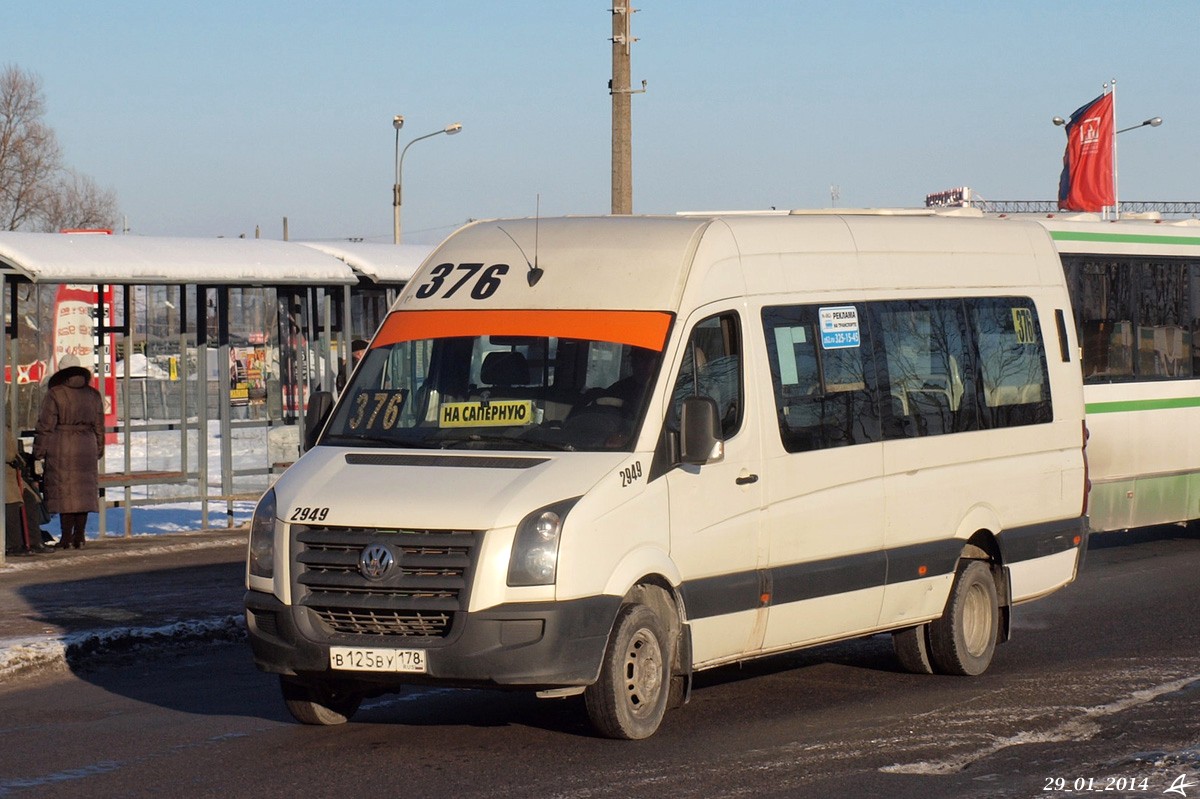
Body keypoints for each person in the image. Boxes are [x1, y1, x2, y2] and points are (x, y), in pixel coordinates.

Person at [33, 356, 105, 550]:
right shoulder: (93, 394)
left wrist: (38, 452)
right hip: (87, 446)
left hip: (61, 446)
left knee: (65, 492)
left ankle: (66, 537)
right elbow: (99, 425)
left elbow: (45, 426)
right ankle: (79, 536)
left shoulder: (55, 394)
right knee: (82, 492)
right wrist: (98, 448)